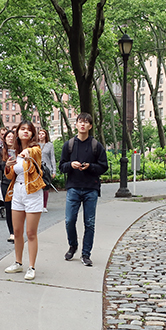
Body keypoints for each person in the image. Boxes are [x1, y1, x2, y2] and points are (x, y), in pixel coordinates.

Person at [59, 113, 108, 267]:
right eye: (80, 122)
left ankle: (86, 254)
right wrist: (70, 165)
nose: (83, 125)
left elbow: (104, 166)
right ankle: (73, 245)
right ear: (76, 124)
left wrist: (90, 167)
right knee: (69, 220)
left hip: (90, 188)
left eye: (86, 122)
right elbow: (62, 166)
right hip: (73, 187)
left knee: (89, 223)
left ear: (90, 126)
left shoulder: (96, 146)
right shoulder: (69, 145)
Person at [4, 121, 45, 280]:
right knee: (17, 231)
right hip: (17, 192)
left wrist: (27, 153)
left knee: (31, 232)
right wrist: (8, 166)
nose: (25, 132)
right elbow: (10, 175)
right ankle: (18, 262)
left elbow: (33, 153)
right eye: (22, 129)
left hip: (33, 192)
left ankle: (31, 266)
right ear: (17, 133)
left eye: (29, 130)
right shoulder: (14, 152)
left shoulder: (35, 149)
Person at [0, 129, 17, 243]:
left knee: (18, 208)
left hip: (17, 182)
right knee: (8, 207)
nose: (10, 138)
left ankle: (18, 231)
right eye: (8, 136)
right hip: (6, 182)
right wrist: (6, 165)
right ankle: (12, 232)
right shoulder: (1, 152)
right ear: (4, 139)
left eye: (12, 136)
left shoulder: (20, 151)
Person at [39, 128, 56, 212]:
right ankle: (38, 204)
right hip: (38, 168)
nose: (41, 135)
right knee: (38, 187)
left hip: (47, 169)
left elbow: (52, 158)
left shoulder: (50, 145)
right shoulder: (36, 145)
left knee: (45, 187)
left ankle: (44, 205)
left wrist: (54, 171)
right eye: (39, 134)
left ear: (46, 135)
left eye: (43, 134)